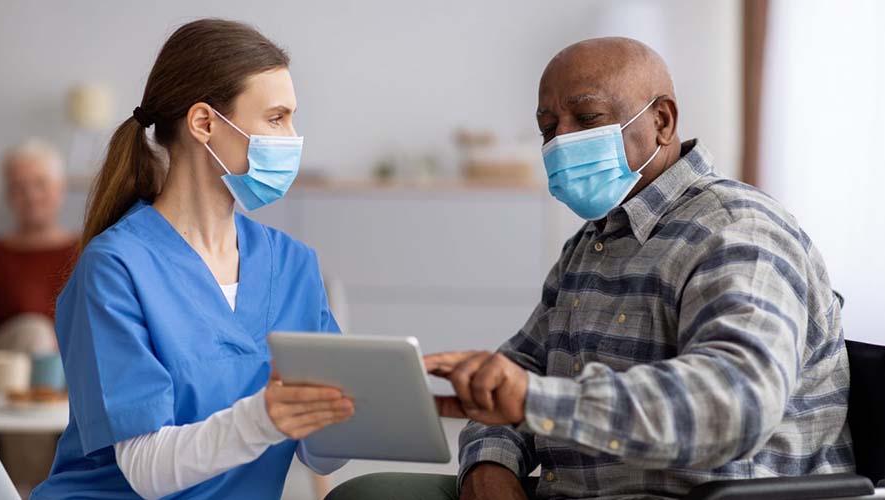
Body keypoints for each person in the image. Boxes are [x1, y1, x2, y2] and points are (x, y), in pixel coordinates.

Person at [328, 37, 853, 500]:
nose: (561, 141)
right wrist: (488, 467)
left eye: (587, 118)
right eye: (548, 127)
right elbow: (519, 371)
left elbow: (735, 403)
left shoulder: (737, 231)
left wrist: (534, 399)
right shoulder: (592, 242)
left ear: (662, 121)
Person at [31, 19, 353, 500]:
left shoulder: (293, 266)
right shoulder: (117, 267)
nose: (292, 138)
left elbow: (321, 452)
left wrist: (375, 412)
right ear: (204, 123)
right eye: (276, 118)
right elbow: (145, 469)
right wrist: (266, 417)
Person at [0, 139, 76, 381]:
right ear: (7, 195)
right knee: (34, 332)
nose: (31, 196)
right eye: (19, 187)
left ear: (61, 187)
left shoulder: (86, 250)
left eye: (40, 184)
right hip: (1, 366)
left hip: (70, 366)